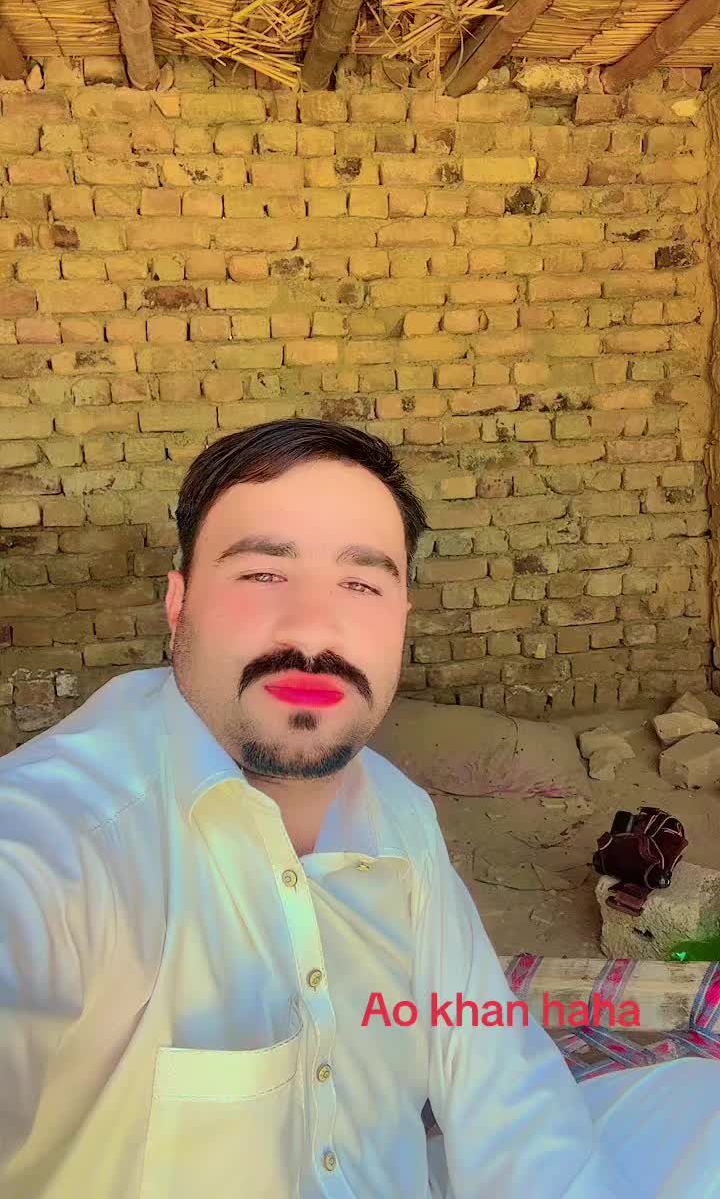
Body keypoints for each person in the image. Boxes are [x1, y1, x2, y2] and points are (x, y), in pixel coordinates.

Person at [1, 417, 719, 1199]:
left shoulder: (398, 816)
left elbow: (498, 1077)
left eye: (362, 584)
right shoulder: (58, 843)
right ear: (179, 604)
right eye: (262, 574)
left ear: (402, 617)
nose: (314, 627)